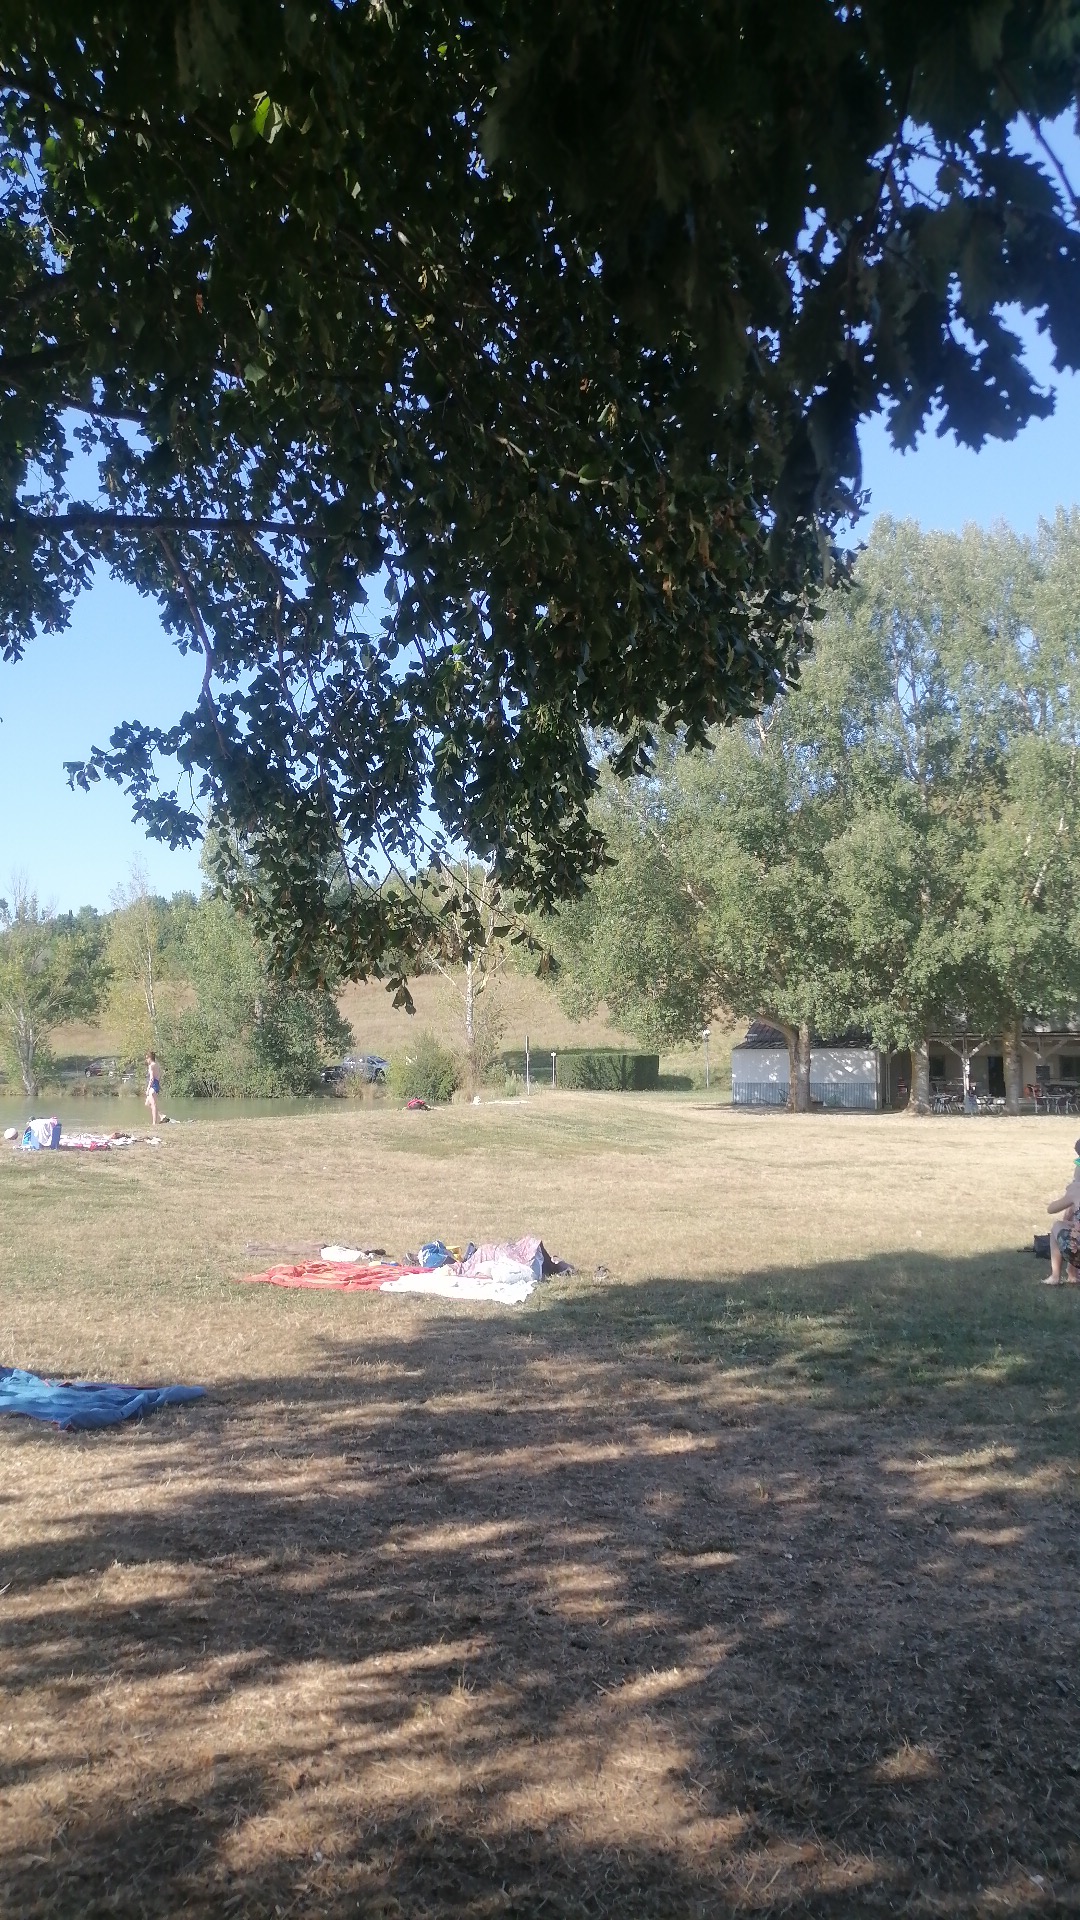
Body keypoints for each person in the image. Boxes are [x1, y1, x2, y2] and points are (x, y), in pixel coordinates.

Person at [1045, 1139, 1080, 1283]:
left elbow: (1051, 1209)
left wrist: (1070, 1196)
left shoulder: (1076, 1189)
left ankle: (1055, 1277)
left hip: (1077, 1249)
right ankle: (1072, 1273)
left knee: (1058, 1225)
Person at [144, 1051, 161, 1128]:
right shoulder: (157, 1065)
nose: (146, 1060)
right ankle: (161, 1116)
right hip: (156, 1083)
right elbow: (159, 1075)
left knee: (153, 1104)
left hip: (153, 1085)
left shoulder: (151, 1066)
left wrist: (148, 1088)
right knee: (147, 1103)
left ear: (150, 1058)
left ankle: (154, 1122)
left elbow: (151, 1078)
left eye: (147, 1058)